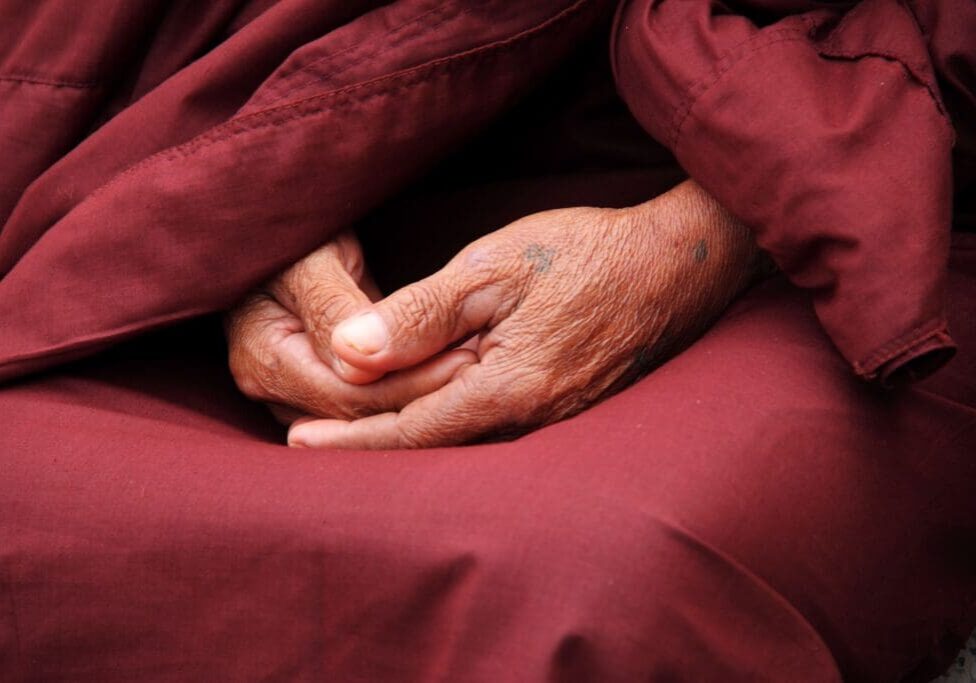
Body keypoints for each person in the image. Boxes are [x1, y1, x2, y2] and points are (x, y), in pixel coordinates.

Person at [0, 1, 973, 680]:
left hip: (854, 179)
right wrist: (244, 193)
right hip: (299, 113)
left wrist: (707, 234)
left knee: (595, 584)